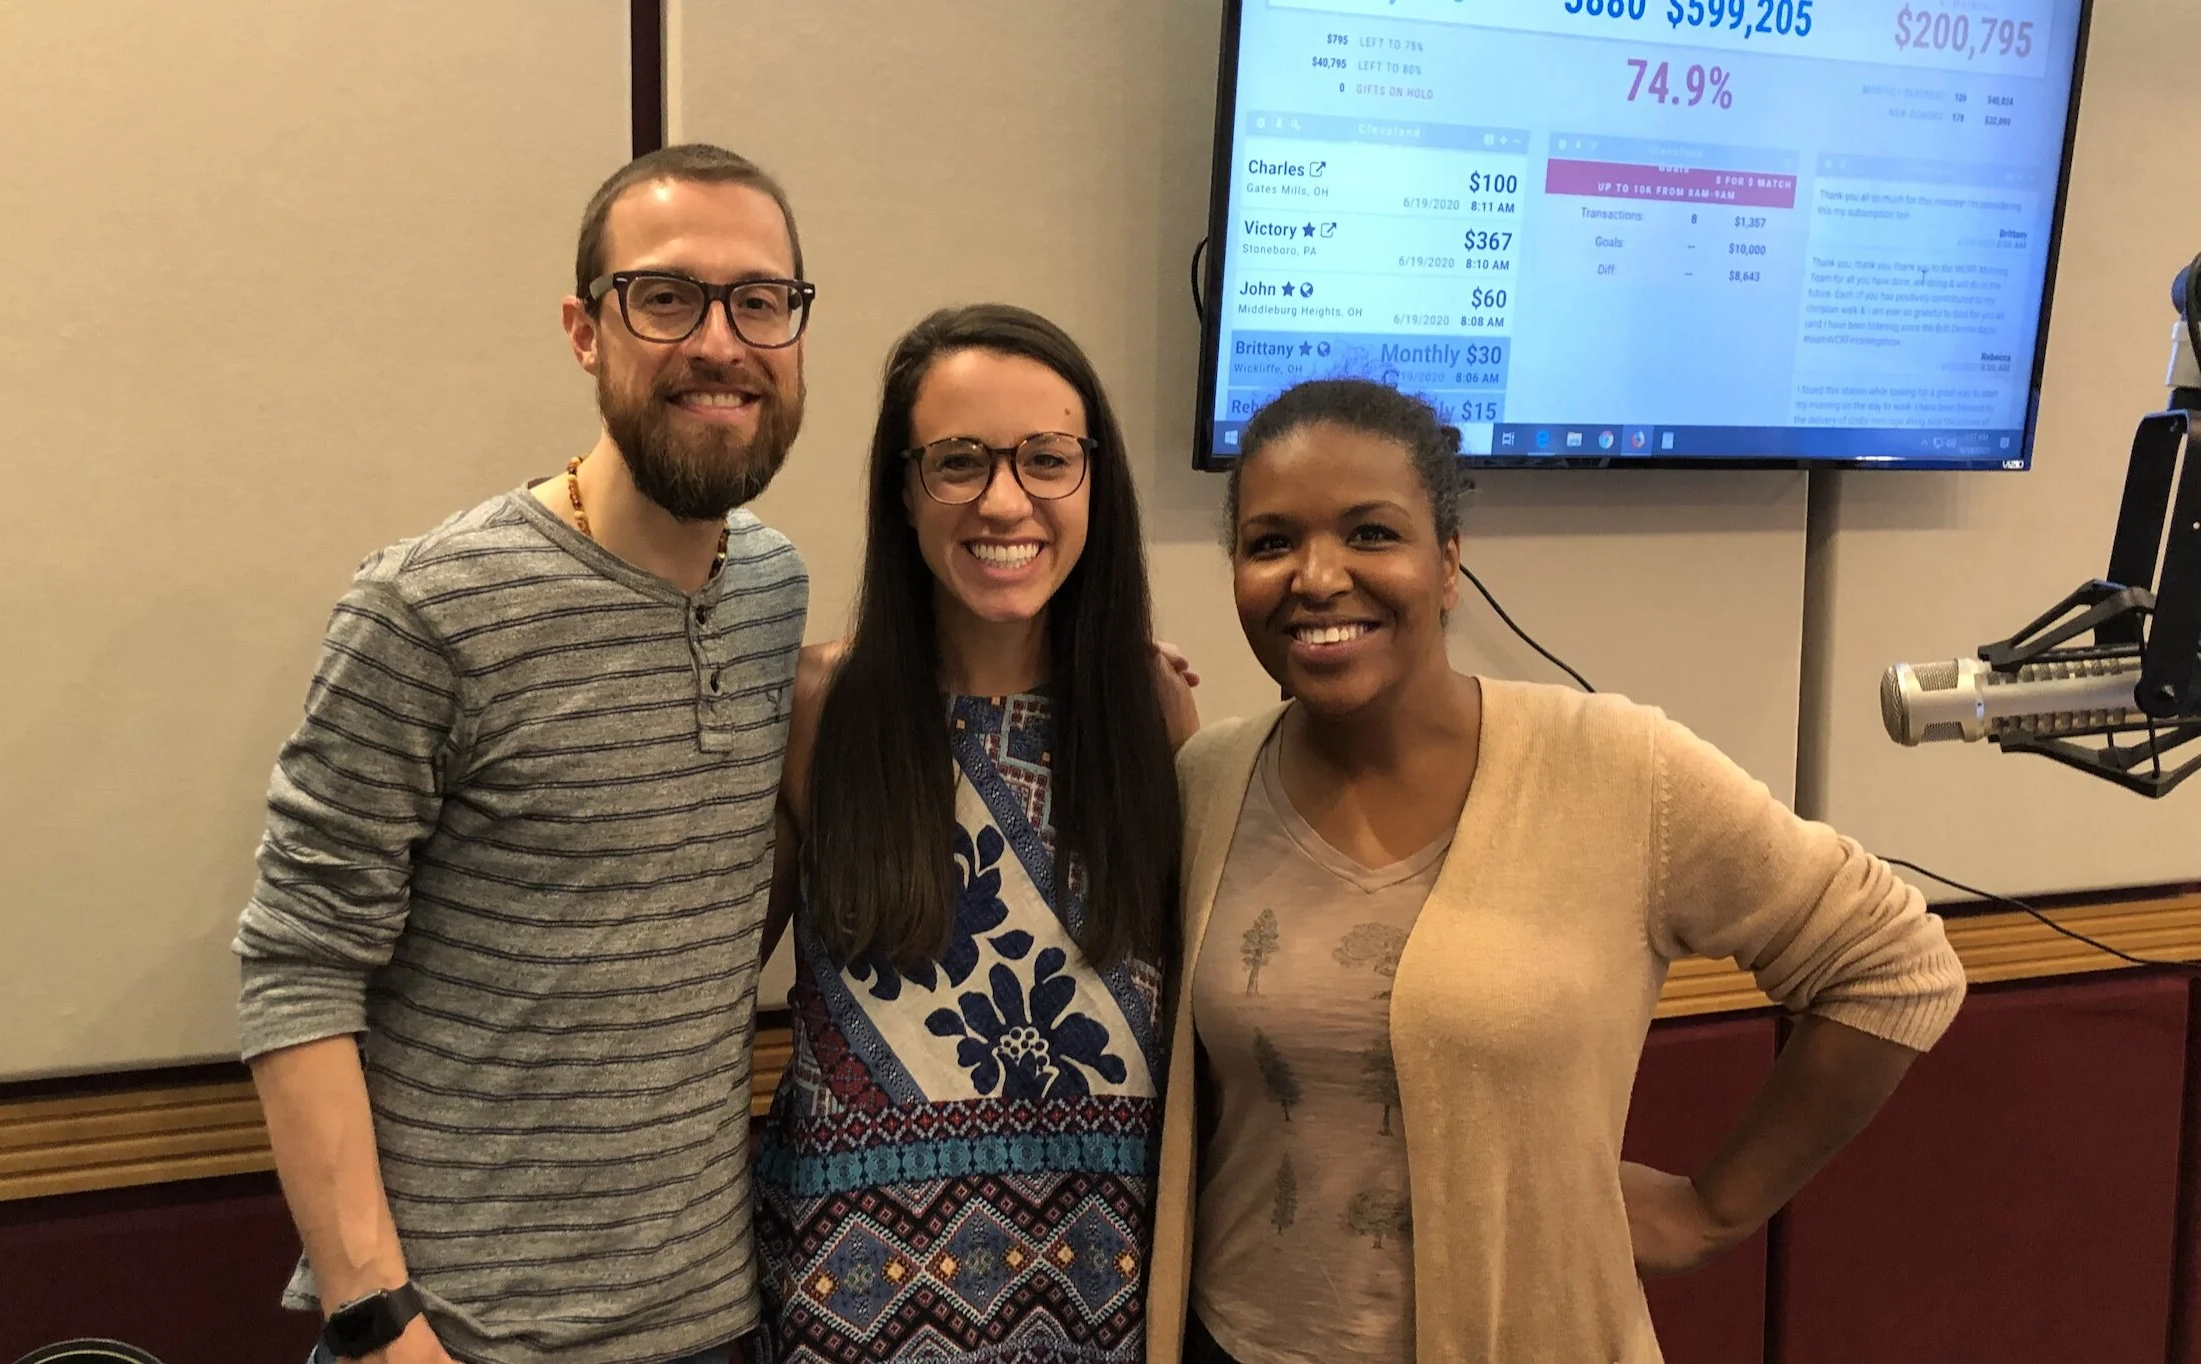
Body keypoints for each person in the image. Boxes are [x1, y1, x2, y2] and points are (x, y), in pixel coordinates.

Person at [1144, 378, 1969, 1364]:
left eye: (1370, 532)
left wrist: (1712, 1208)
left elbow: (1893, 966)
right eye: (1270, 541)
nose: (1315, 576)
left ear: (1446, 563)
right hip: (1230, 1340)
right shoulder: (1206, 778)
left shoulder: (1613, 768)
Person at [232, 144, 814, 1364]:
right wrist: (378, 1318)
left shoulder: (772, 586)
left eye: (759, 300)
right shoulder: (428, 607)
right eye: (665, 296)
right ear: (583, 329)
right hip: (466, 1337)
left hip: (717, 1319)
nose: (720, 340)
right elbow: (296, 968)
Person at [754, 305, 1198, 1364]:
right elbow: (695, 993)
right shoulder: (817, 706)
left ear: (1094, 481)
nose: (1006, 499)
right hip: (849, 1314)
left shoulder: (1152, 708)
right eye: (957, 461)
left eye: (1047, 457)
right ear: (903, 490)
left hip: (1104, 1293)